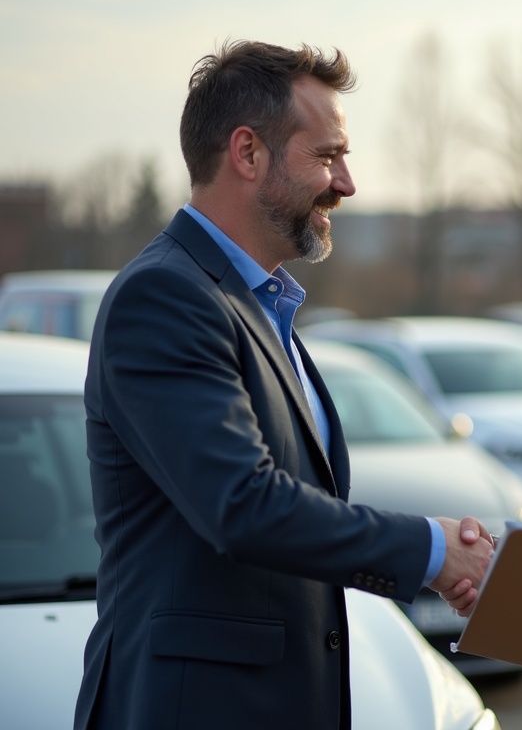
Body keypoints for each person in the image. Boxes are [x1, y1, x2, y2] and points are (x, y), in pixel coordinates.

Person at [73, 40, 492, 730]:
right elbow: (243, 505)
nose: (346, 184)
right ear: (248, 153)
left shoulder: (261, 306)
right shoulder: (165, 297)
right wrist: (433, 550)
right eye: (328, 156)